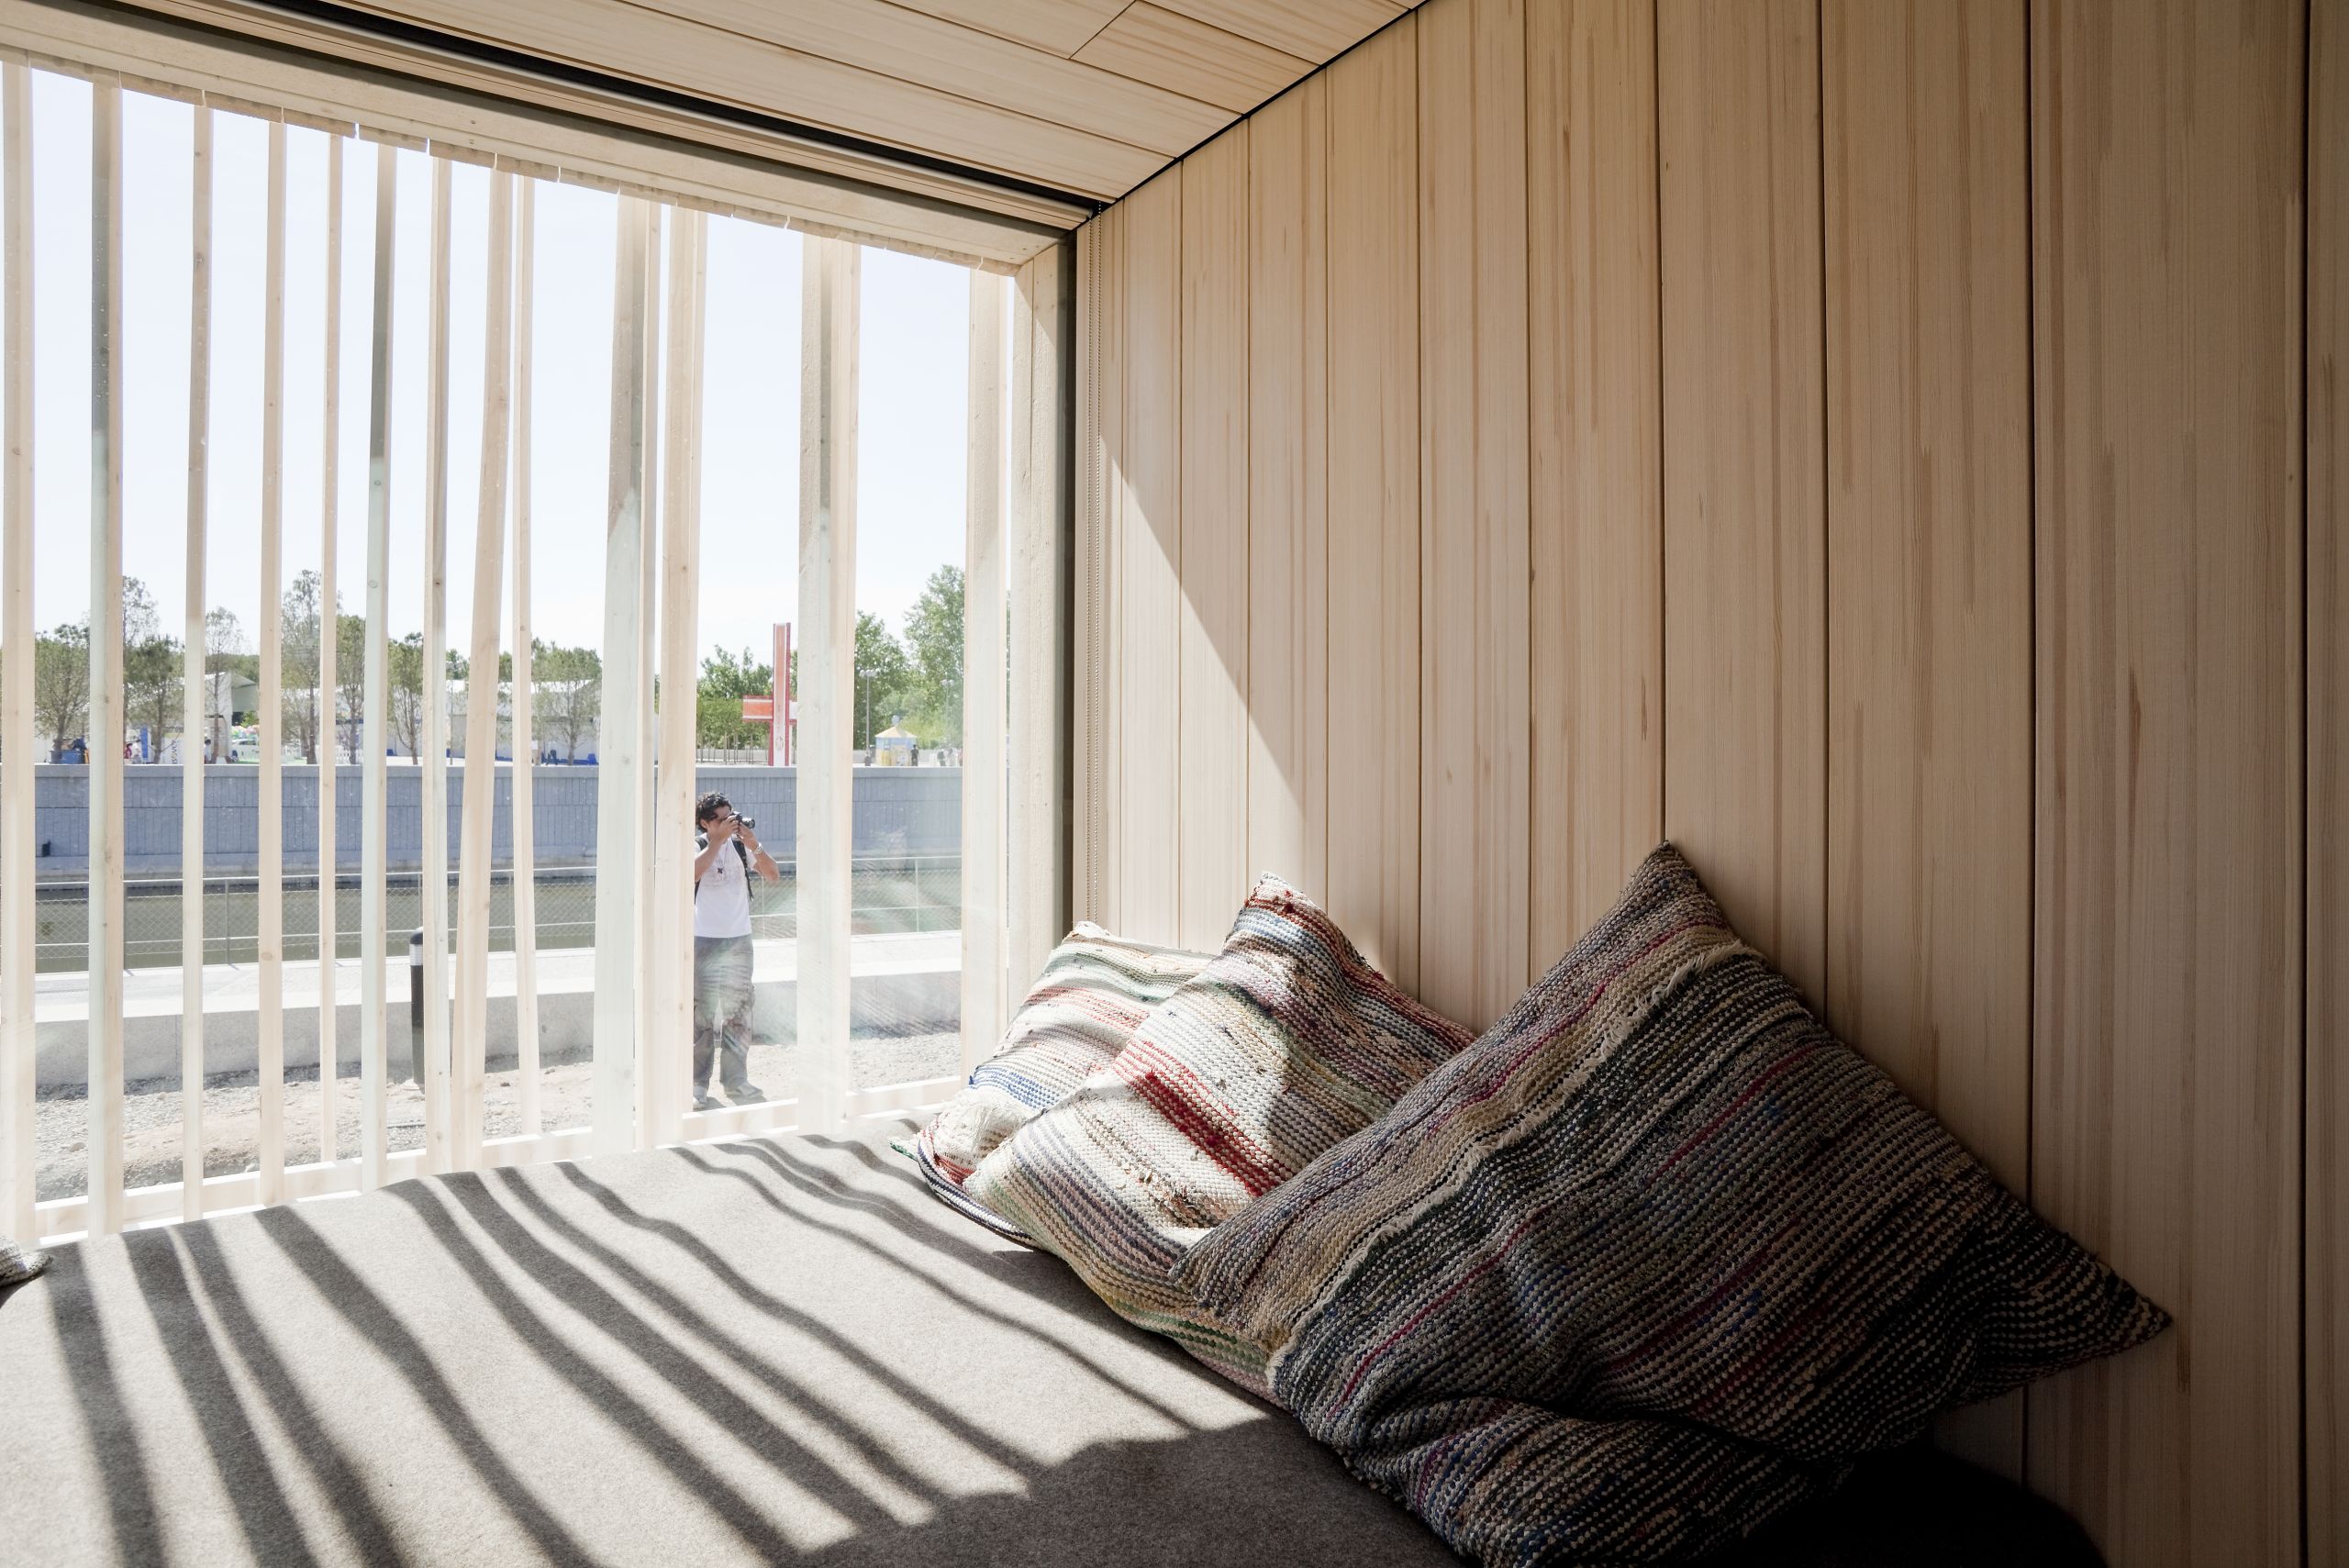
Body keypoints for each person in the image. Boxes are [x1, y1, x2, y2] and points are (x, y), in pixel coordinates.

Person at [692, 791, 778, 1110]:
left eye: (732, 816)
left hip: (740, 941)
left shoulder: (742, 847)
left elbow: (772, 875)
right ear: (705, 823)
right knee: (701, 1015)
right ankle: (697, 1084)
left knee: (739, 1015)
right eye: (721, 819)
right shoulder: (698, 846)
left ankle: (736, 1080)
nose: (729, 823)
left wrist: (753, 841)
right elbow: (689, 874)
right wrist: (715, 842)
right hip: (703, 941)